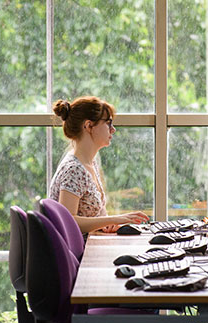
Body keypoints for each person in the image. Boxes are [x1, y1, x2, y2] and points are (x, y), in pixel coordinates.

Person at [48, 96, 149, 234]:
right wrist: (113, 219)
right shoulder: (74, 169)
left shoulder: (90, 163)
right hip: (81, 254)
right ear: (89, 126)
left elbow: (93, 217)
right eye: (108, 123)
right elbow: (67, 221)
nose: (113, 129)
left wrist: (106, 223)